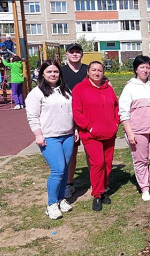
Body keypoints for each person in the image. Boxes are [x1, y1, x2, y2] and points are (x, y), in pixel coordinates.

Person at [24, 60, 76, 220]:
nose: (53, 74)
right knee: (58, 170)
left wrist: (75, 129)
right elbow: (32, 116)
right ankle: (51, 204)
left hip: (67, 135)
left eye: (56, 72)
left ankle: (61, 199)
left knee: (66, 169)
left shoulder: (65, 91)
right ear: (42, 74)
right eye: (49, 72)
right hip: (49, 137)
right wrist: (38, 134)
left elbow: (73, 111)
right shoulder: (36, 93)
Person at [72, 61, 120, 211]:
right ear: (88, 71)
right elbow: (77, 112)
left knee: (107, 163)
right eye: (94, 70)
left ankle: (104, 188)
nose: (97, 73)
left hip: (108, 133)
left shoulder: (108, 88)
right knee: (97, 163)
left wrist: (115, 124)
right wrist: (89, 127)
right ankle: (97, 195)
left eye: (100, 70)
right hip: (91, 134)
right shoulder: (80, 89)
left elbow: (116, 107)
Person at [119, 55, 150, 201]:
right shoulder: (130, 88)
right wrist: (130, 132)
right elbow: (124, 112)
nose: (145, 70)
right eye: (142, 67)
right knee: (140, 160)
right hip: (138, 130)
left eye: (147, 67)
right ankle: (145, 187)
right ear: (136, 69)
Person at [61, 43, 89, 199]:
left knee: (91, 151)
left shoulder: (88, 70)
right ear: (67, 54)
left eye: (78, 52)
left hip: (88, 117)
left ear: (82, 54)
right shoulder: (62, 72)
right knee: (71, 153)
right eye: (72, 52)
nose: (75, 54)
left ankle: (95, 182)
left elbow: (104, 83)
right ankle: (69, 184)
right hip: (69, 118)